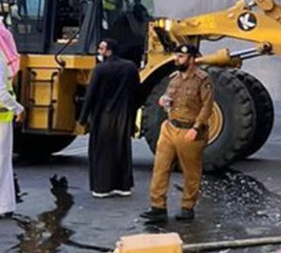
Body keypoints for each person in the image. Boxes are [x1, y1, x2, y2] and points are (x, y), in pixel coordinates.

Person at [141, 44, 213, 222]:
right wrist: (164, 100)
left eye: (181, 57)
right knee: (160, 168)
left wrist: (196, 128)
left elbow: (207, 106)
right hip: (170, 127)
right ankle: (157, 206)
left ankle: (187, 207)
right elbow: (168, 96)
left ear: (191, 59)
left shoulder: (202, 79)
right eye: (177, 56)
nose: (177, 59)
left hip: (189, 130)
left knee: (191, 172)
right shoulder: (174, 78)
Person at [78, 39, 141, 198]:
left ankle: (102, 187)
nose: (99, 51)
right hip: (124, 115)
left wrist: (83, 118)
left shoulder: (100, 69)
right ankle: (123, 186)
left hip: (103, 115)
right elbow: (138, 92)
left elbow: (90, 95)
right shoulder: (130, 67)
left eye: (101, 48)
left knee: (102, 152)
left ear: (109, 50)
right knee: (122, 149)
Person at [0, 20, 23, 215]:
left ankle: (5, 205)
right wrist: (17, 108)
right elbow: (1, 93)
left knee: (4, 163)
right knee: (0, 162)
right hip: (0, 120)